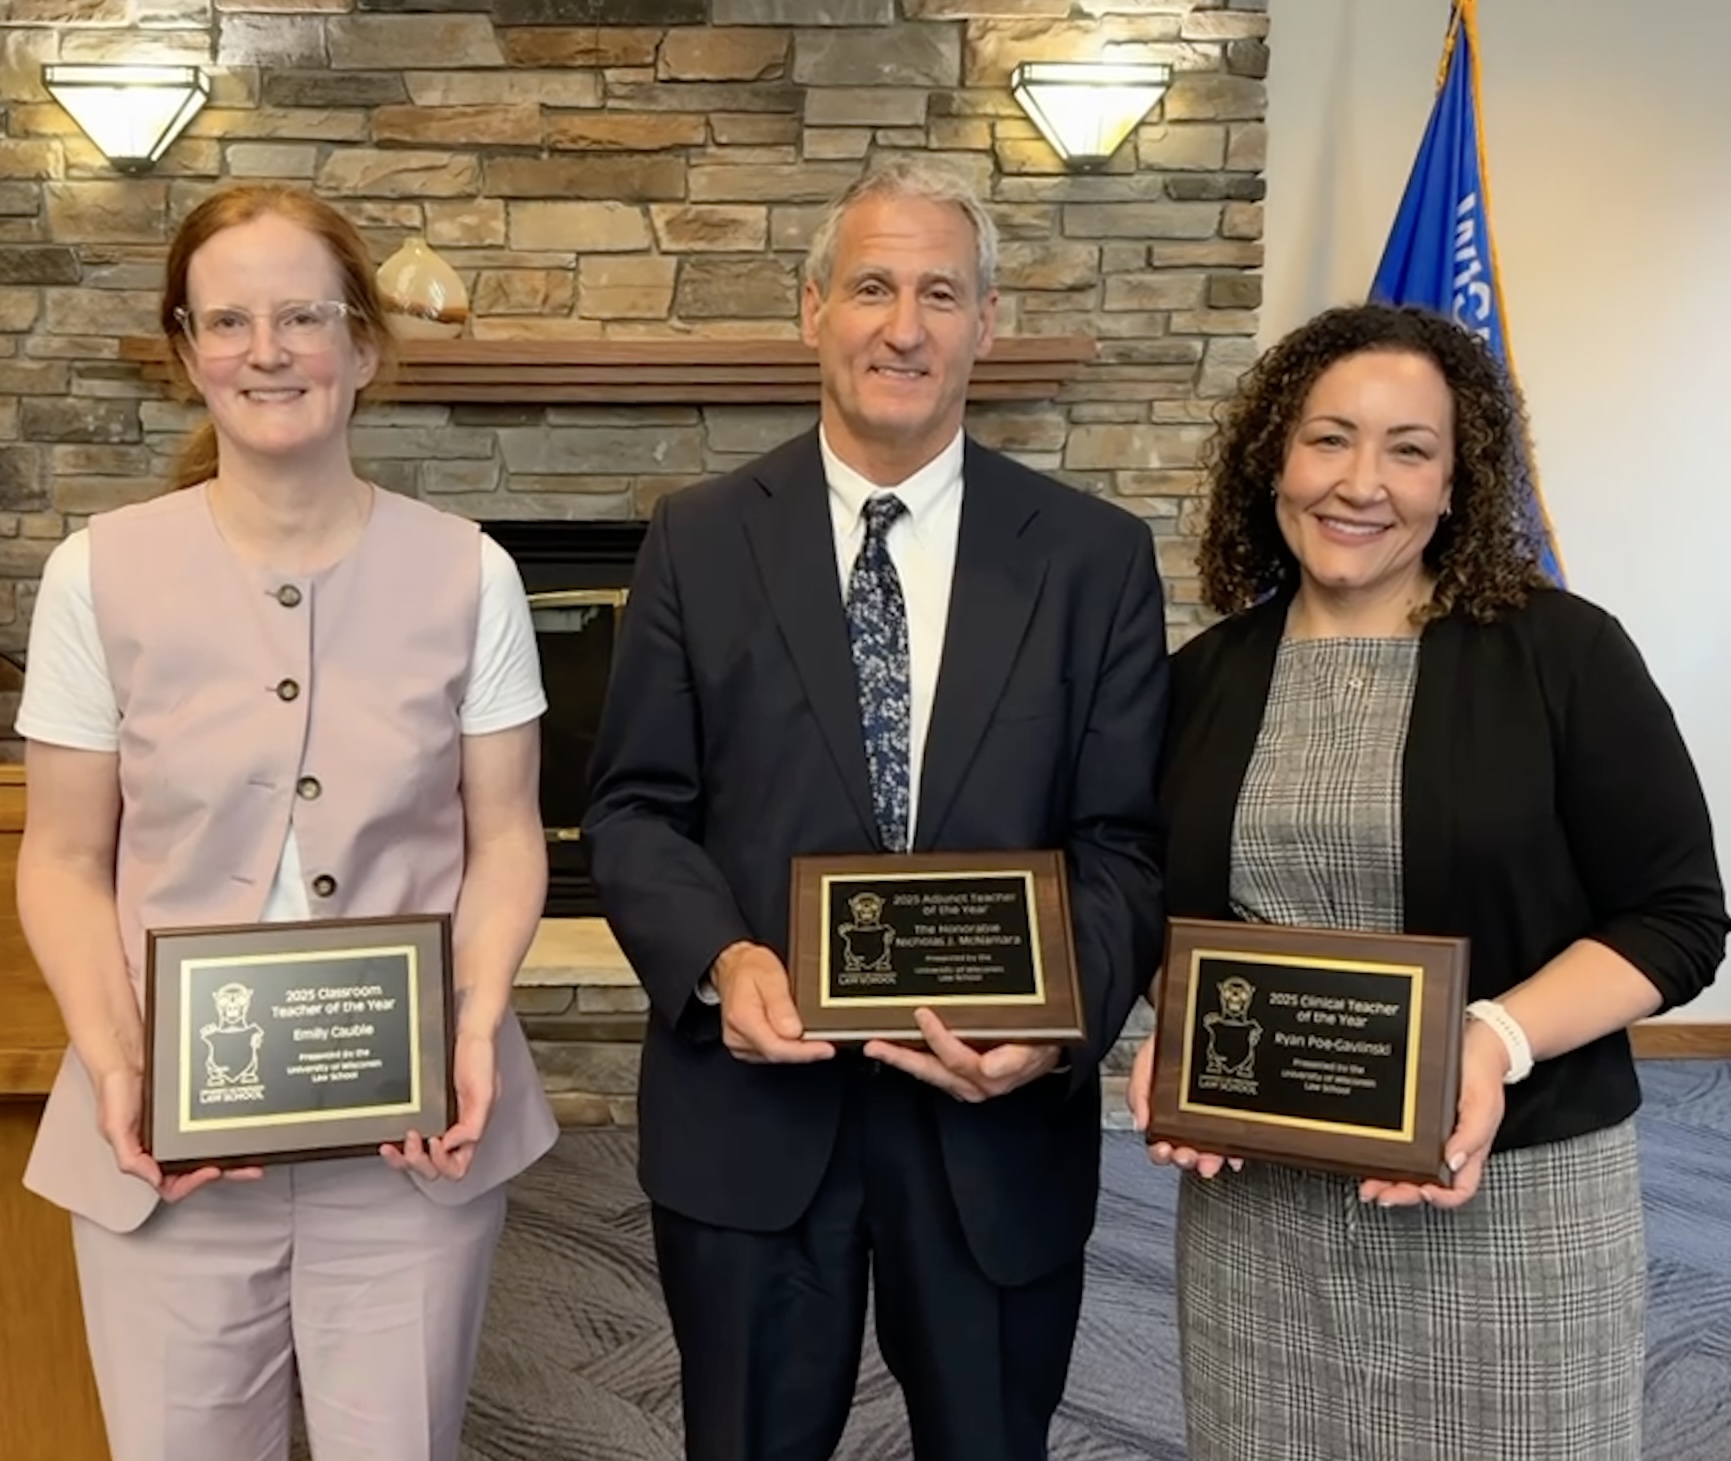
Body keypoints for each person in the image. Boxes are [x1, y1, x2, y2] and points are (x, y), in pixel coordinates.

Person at [583, 155, 1168, 1461]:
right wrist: (719, 962)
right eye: (870, 287)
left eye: (939, 294)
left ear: (987, 324)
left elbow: (1121, 843)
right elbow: (632, 808)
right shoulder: (697, 538)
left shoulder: (1092, 558)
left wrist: (1057, 1026)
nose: (902, 326)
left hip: (991, 1123)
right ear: (810, 311)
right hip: (751, 1118)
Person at [1126, 302, 1729, 1461]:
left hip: (1508, 1200)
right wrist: (1177, 1028)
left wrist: (1492, 1038)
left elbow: (1675, 918)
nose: (1362, 482)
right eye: (1330, 438)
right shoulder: (1201, 680)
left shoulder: (1563, 654)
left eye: (1410, 449)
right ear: (1276, 460)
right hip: (1262, 1213)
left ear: (1458, 484)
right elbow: (1161, 902)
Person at [16, 184, 558, 1461]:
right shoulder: (94, 573)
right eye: (230, 320)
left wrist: (473, 1023)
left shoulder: (472, 569)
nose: (268, 351)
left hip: (411, 1140)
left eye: (303, 316)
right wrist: (117, 1066)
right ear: (188, 347)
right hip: (167, 1153)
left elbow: (509, 837)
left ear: (363, 344)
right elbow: (62, 857)